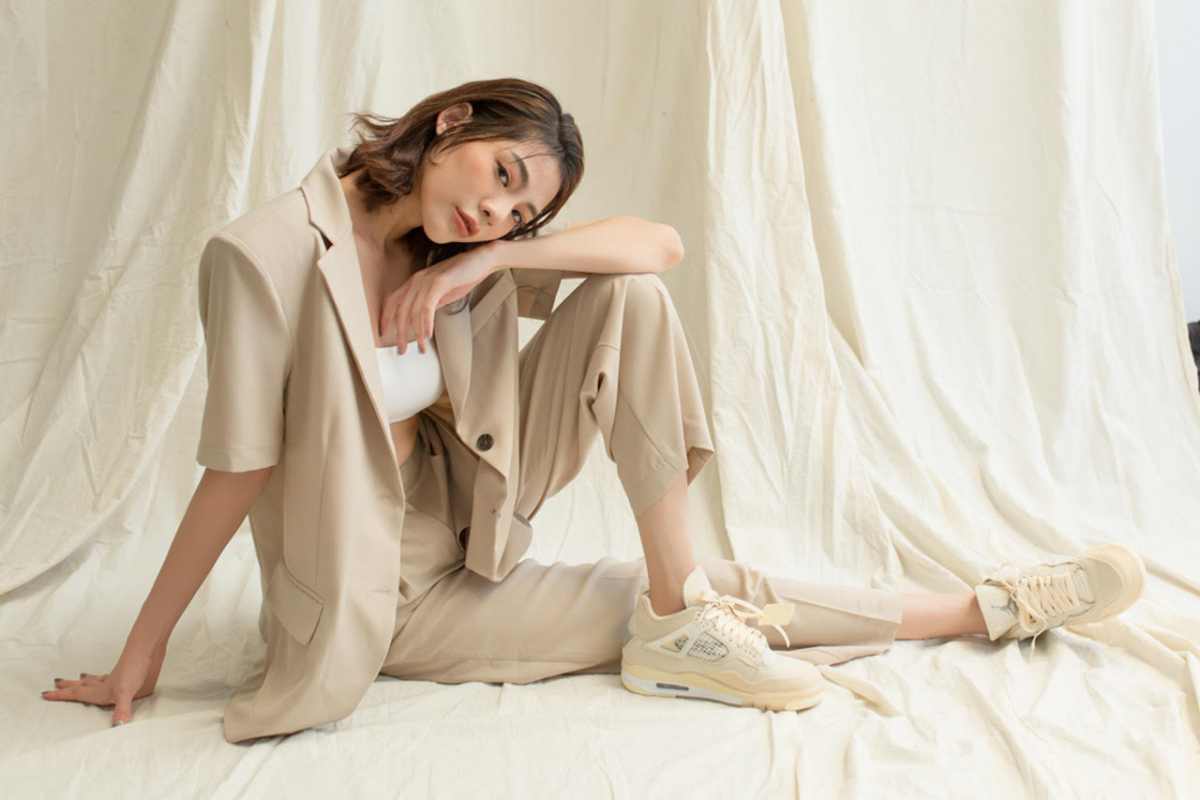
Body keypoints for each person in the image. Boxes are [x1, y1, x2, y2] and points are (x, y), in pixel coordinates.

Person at [40, 78, 1146, 738]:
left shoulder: (461, 250)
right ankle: (979, 611)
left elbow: (656, 246)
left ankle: (693, 610)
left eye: (519, 206)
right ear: (453, 121)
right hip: (387, 593)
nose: (494, 209)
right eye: (501, 173)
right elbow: (235, 467)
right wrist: (142, 655)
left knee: (632, 301)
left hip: (474, 520)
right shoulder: (265, 255)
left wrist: (489, 263)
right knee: (712, 594)